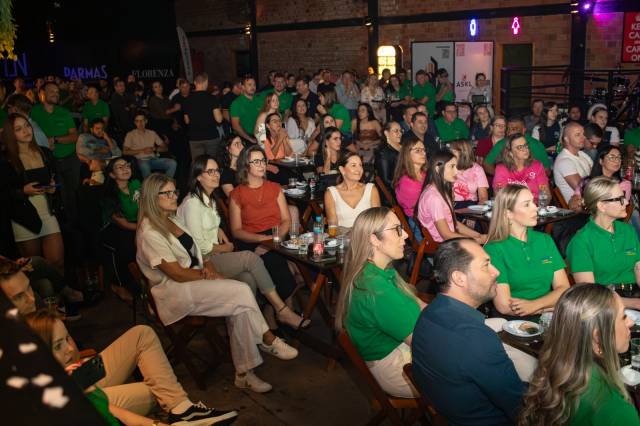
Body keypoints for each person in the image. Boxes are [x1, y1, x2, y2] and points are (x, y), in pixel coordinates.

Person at [137, 173, 298, 393]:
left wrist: (209, 266)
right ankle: (266, 337)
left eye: (174, 191)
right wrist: (209, 275)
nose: (174, 196)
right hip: (177, 292)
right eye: (168, 193)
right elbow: (176, 274)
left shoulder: (171, 218)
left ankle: (244, 373)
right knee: (241, 292)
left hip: (195, 277)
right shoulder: (149, 232)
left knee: (244, 287)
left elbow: (197, 253)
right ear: (153, 198)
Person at [23, 309, 238, 425]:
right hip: (56, 396)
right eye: (19, 296)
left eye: (27, 290)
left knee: (142, 335)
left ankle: (183, 410)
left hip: (71, 379)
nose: (30, 298)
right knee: (155, 388)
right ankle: (180, 411)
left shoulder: (39, 321)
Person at [177, 155, 309, 330]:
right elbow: (201, 245)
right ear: (198, 176)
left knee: (251, 277)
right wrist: (227, 247)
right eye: (210, 171)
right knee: (261, 259)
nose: (216, 175)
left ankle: (259, 323)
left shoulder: (209, 200)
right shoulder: (196, 202)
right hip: (205, 260)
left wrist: (218, 229)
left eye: (217, 170)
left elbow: (285, 220)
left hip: (271, 238)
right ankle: (282, 311)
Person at [412, 238, 526, 425]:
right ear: (459, 278)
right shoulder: (476, 338)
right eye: (486, 265)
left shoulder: (429, 314)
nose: (496, 272)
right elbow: (520, 406)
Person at [335, 207, 426, 398]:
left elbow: (419, 304)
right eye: (397, 229)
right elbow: (425, 343)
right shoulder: (376, 289)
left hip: (402, 350)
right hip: (398, 369)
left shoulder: (378, 270)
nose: (406, 235)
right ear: (374, 239)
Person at [519, 284, 640, 425]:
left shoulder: (554, 370)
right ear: (599, 337)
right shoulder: (616, 410)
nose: (630, 322)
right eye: (623, 317)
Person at [484, 185, 570, 318]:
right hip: (513, 322)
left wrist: (535, 305)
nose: (535, 207)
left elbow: (563, 288)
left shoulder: (544, 240)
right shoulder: (494, 248)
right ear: (508, 213)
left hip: (548, 317)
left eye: (533, 202)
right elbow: (504, 305)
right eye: (527, 205)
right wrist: (549, 306)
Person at [228, 145, 299, 302]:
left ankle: (277, 310)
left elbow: (286, 220)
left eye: (263, 160)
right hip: (251, 239)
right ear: (245, 166)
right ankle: (285, 310)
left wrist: (274, 240)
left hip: (277, 235)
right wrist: (263, 241)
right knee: (276, 262)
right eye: (256, 161)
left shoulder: (275, 188)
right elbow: (236, 231)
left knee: (286, 259)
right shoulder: (236, 194)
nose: (261, 165)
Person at [1, 113, 64, 274]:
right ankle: (42, 298)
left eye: (27, 125)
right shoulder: (5, 160)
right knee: (33, 268)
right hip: (24, 217)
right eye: (18, 129)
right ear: (10, 134)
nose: (26, 131)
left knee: (57, 262)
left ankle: (59, 297)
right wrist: (23, 191)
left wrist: (53, 188)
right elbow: (4, 192)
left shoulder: (44, 152)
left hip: (48, 213)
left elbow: (55, 177)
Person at [566, 176, 640, 310]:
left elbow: (638, 267)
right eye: (620, 199)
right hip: (604, 304)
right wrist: (634, 303)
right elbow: (590, 293)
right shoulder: (581, 241)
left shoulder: (627, 230)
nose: (626, 203)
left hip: (634, 295)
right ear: (602, 206)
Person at [30, 82, 80, 224]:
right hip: (47, 162)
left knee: (72, 194)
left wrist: (55, 139)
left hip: (70, 159)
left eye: (57, 92)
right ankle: (55, 224)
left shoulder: (63, 112)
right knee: (52, 195)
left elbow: (74, 136)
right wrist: (44, 145)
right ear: (41, 94)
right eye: (51, 91)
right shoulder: (34, 112)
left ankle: (73, 225)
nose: (56, 94)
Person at [416, 150, 486, 243]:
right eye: (452, 166)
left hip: (450, 239)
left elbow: (454, 223)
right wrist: (476, 241)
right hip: (442, 245)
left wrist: (479, 236)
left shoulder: (442, 191)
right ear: (438, 169)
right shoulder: (434, 197)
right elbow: (446, 235)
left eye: (456, 166)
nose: (457, 171)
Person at [99, 157, 140, 297]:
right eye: (119, 167)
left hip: (137, 222)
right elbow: (123, 223)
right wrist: (144, 228)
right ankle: (119, 285)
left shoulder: (136, 184)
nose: (125, 169)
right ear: (111, 174)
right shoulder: (110, 194)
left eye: (127, 165)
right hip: (114, 227)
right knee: (125, 245)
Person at [325, 152, 381, 229]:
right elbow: (333, 226)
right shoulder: (331, 193)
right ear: (342, 170)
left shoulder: (371, 189)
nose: (359, 169)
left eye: (360, 165)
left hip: (367, 237)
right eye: (353, 165)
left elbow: (377, 221)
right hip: (343, 239)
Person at [483, 116, 551, 176]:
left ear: (524, 130)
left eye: (514, 129)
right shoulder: (502, 143)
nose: (510, 133)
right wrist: (502, 176)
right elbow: (486, 164)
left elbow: (547, 171)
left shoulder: (535, 145)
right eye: (508, 129)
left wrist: (529, 179)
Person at [493, 134, 550, 202]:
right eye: (520, 147)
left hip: (533, 208)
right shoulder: (502, 168)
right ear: (510, 153)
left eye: (526, 145)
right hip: (511, 209)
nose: (525, 149)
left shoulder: (537, 166)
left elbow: (546, 195)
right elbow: (499, 196)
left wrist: (535, 207)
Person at [182, 73, 223, 161]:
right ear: (206, 82)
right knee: (211, 163)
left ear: (194, 82)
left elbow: (186, 121)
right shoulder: (212, 98)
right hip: (211, 137)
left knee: (198, 166)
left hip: (194, 138)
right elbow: (219, 119)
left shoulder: (187, 99)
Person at [123, 112, 176, 178]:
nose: (140, 123)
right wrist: (142, 150)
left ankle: (166, 184)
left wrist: (154, 149)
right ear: (135, 123)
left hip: (153, 159)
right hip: (140, 160)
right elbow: (125, 151)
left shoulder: (152, 133)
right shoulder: (130, 134)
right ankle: (148, 187)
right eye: (137, 121)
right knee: (145, 166)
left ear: (146, 121)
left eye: (142, 120)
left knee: (172, 163)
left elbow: (165, 148)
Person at [393, 136, 427, 237]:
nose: (423, 153)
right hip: (420, 225)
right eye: (418, 150)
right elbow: (419, 211)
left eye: (423, 150)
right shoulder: (407, 183)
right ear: (407, 155)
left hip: (427, 220)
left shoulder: (425, 173)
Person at [553, 121, 592, 206]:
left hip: (590, 203)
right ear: (566, 139)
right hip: (577, 210)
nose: (583, 138)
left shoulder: (582, 154)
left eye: (583, 134)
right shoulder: (564, 161)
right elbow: (584, 190)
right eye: (578, 135)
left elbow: (597, 174)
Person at [449, 140, 489, 205]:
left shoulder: (477, 169)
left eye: (453, 151)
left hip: (471, 206)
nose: (449, 154)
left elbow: (483, 198)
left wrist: (478, 211)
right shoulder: (448, 167)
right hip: (452, 205)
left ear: (463, 153)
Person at [230, 76, 261, 144]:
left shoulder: (259, 100)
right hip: (244, 138)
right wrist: (250, 139)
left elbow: (263, 119)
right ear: (243, 87)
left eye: (254, 85)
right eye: (249, 85)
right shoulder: (236, 103)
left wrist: (262, 137)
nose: (253, 87)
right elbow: (235, 126)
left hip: (260, 135)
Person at [375, 121, 403, 192]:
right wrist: (405, 186)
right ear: (386, 133)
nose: (400, 133)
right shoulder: (384, 152)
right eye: (396, 131)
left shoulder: (403, 146)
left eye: (401, 130)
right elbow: (386, 180)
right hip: (395, 190)